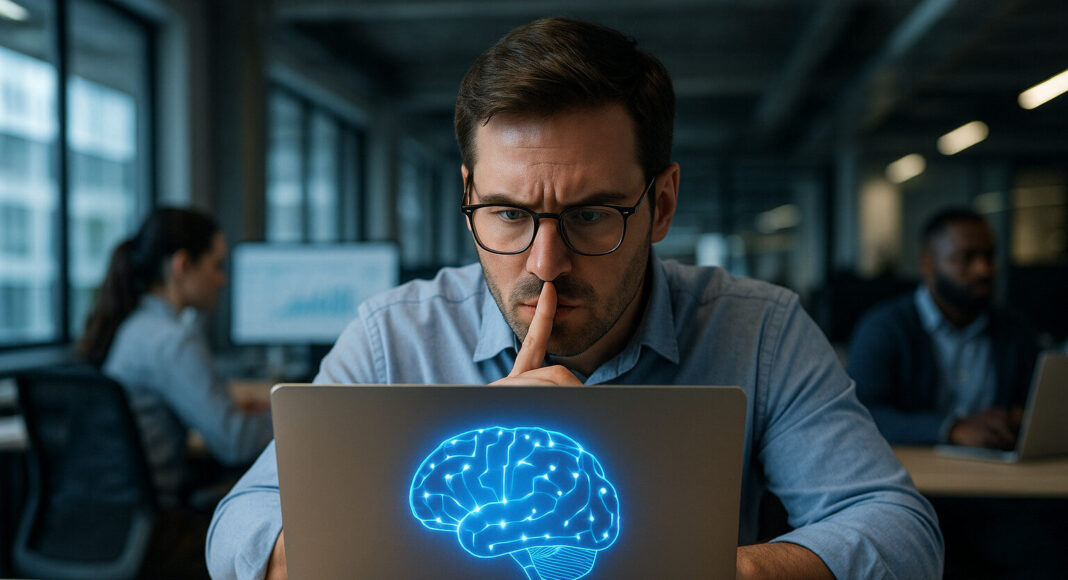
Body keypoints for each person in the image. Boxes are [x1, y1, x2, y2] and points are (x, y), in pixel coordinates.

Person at [207, 18, 942, 579]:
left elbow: (899, 529)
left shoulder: (758, 329)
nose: (545, 263)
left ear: (661, 203)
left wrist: (710, 570)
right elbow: (238, 523)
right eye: (507, 214)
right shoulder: (392, 336)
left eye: (592, 215)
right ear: (469, 197)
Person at [79, 207, 273, 507]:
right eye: (216, 265)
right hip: (162, 523)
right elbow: (235, 442)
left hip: (114, 516)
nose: (222, 280)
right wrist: (294, 417)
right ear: (182, 265)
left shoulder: (135, 325)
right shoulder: (173, 340)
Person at [848, 208, 1039, 448]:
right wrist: (950, 429)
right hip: (917, 473)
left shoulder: (1015, 330)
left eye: (989, 257)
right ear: (928, 265)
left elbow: (1040, 405)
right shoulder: (885, 328)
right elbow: (860, 414)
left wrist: (1019, 419)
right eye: (966, 258)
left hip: (1001, 472)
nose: (983, 269)